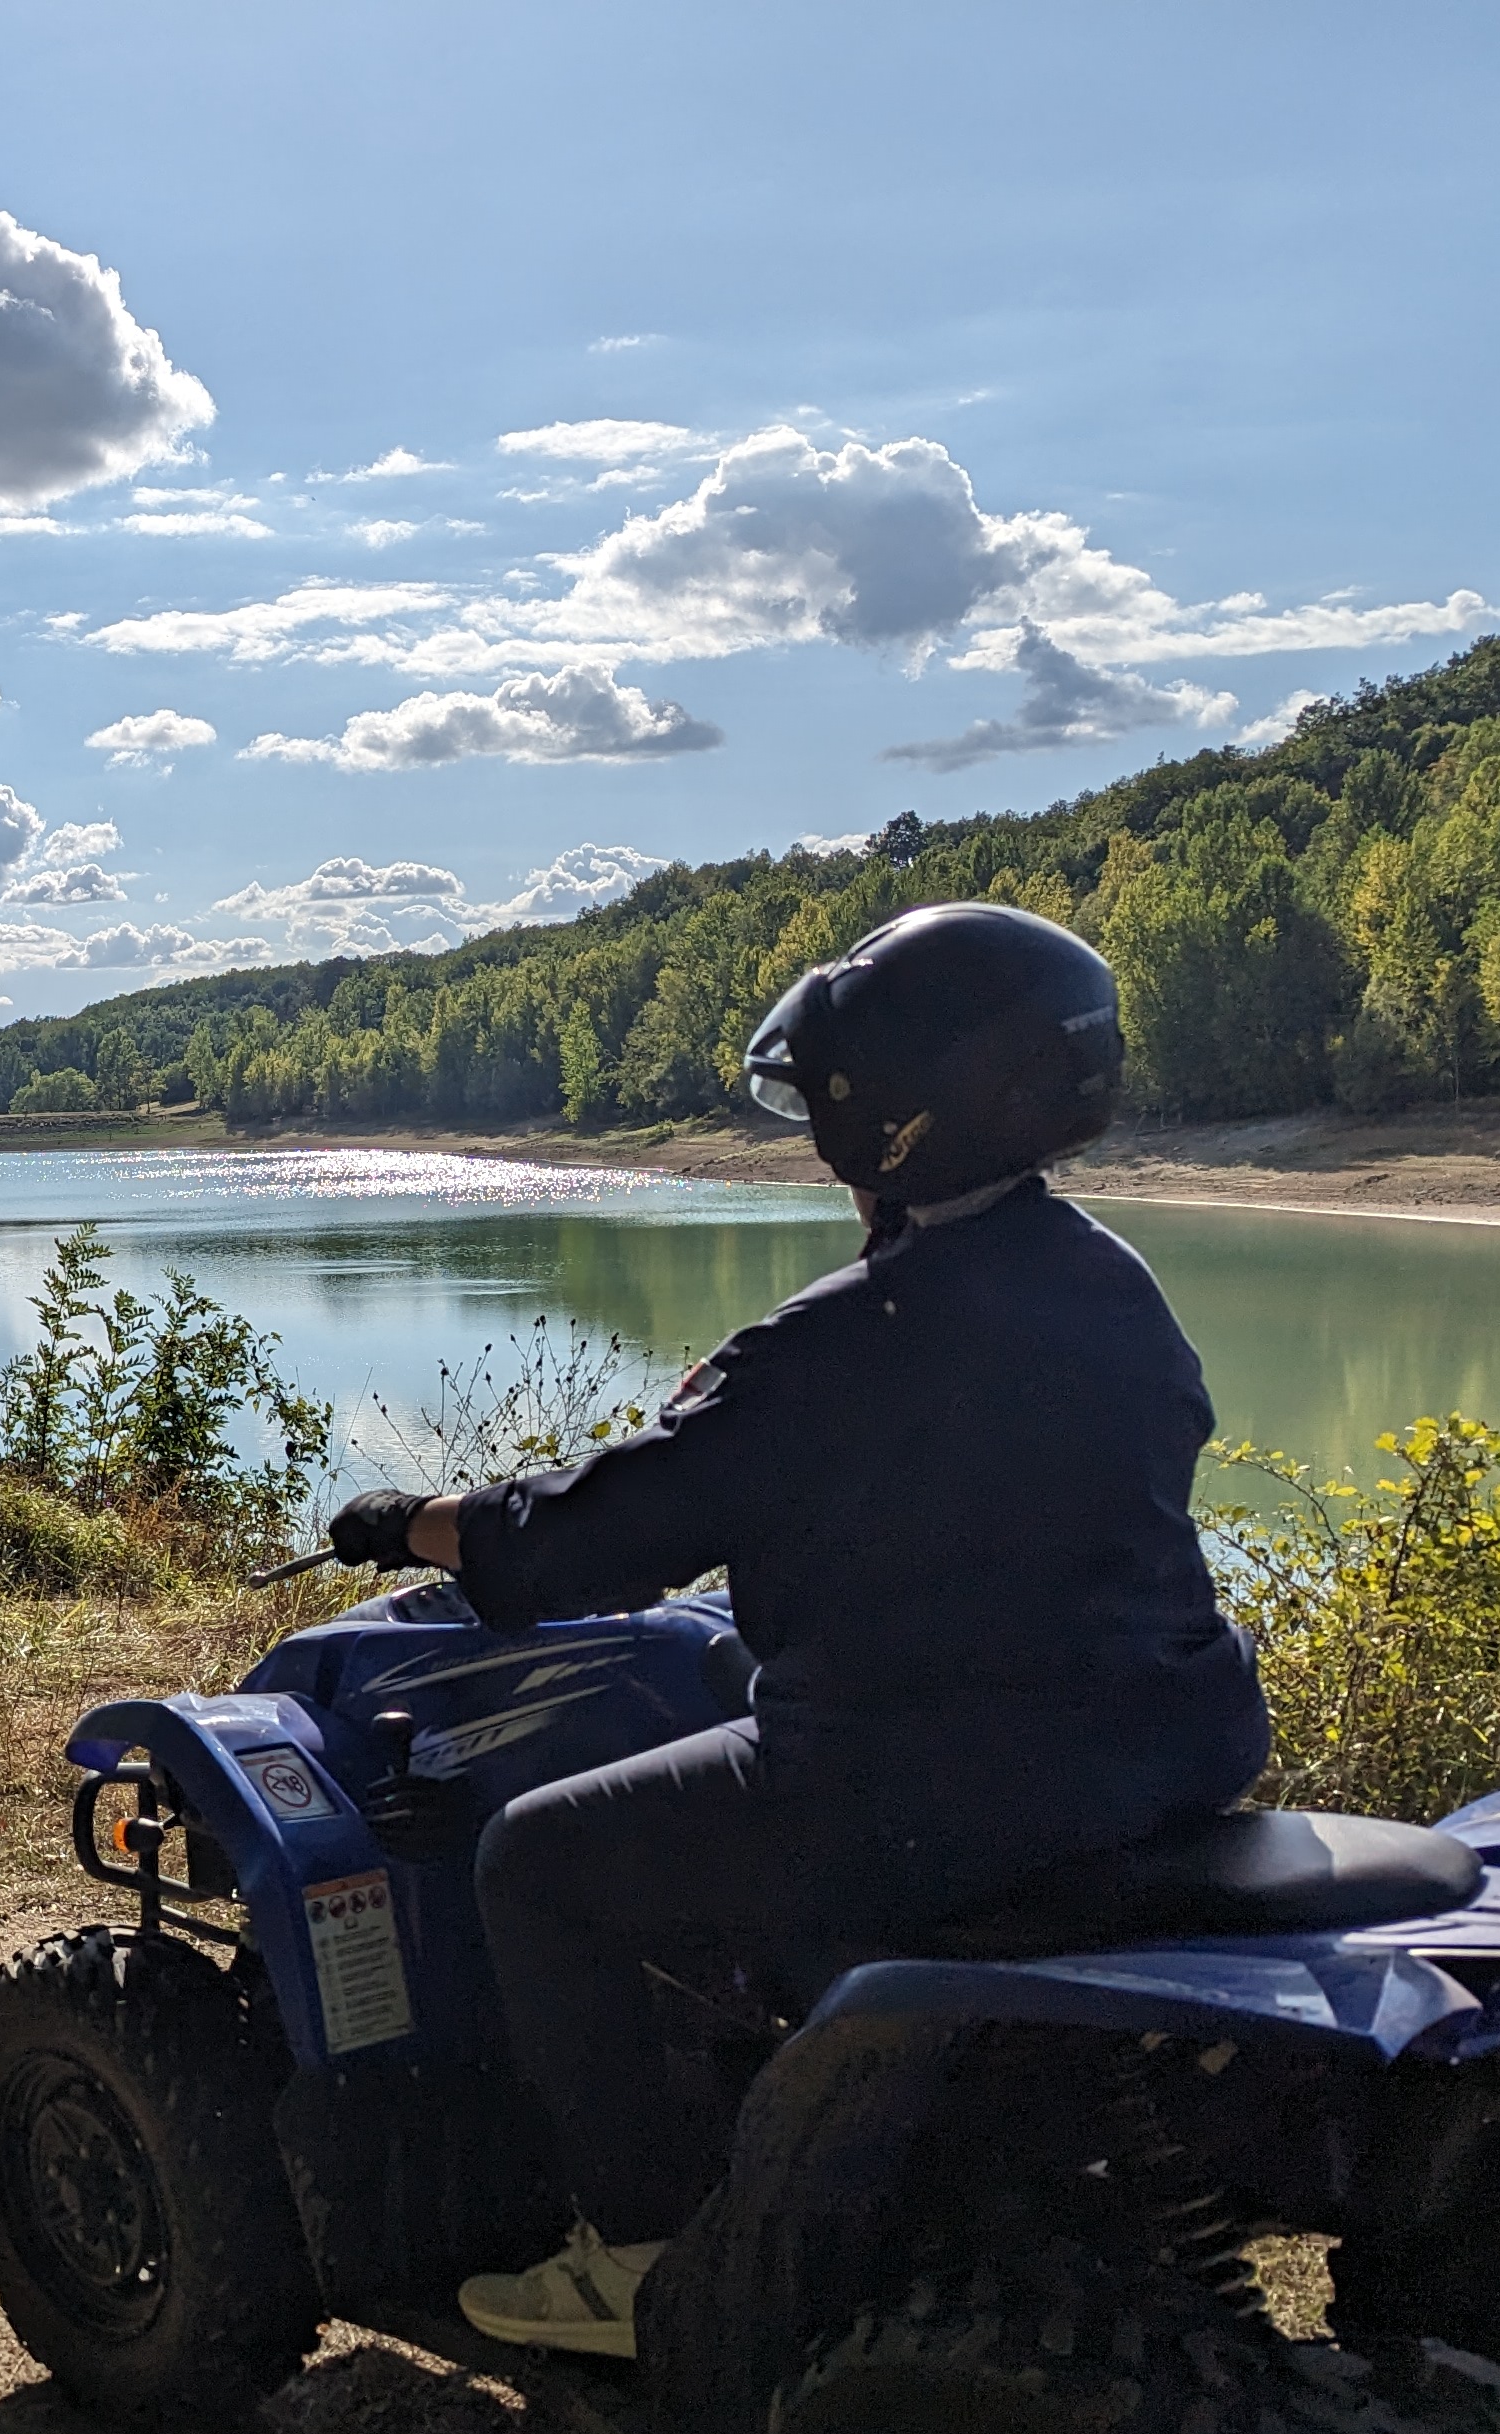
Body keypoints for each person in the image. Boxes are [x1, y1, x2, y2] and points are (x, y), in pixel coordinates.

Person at [326, 903, 1271, 2359]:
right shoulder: (1104, 1278)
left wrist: (418, 1521)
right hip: (1163, 1751)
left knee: (540, 1861)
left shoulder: (844, 1340)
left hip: (930, 1787)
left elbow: (587, 1542)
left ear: (879, 1118)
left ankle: (638, 2255)